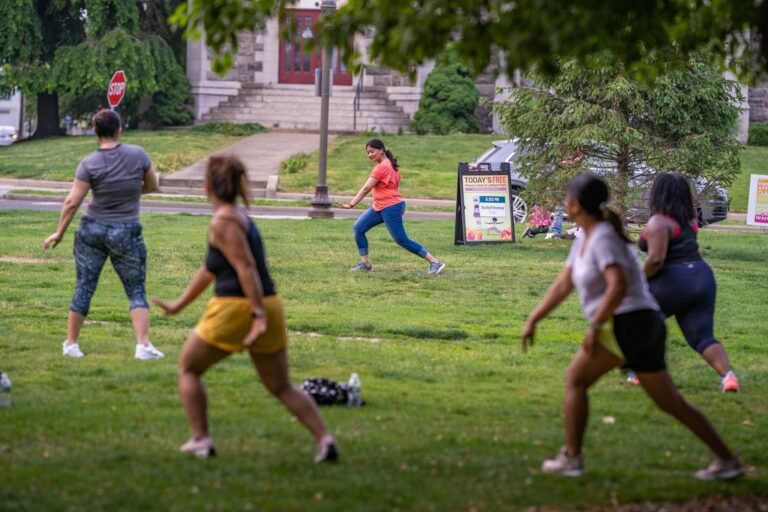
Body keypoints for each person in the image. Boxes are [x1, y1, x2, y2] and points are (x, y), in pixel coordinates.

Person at [521, 174, 743, 480]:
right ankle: (727, 459)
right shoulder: (587, 236)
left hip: (631, 323)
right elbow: (564, 284)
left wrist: (596, 324)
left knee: (576, 380)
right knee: (671, 403)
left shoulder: (602, 238)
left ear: (574, 205)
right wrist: (534, 318)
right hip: (642, 322)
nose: (563, 203)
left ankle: (572, 458)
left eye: (566, 198)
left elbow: (618, 285)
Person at [152, 155, 338, 462]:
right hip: (269, 303)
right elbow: (211, 268)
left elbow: (245, 267)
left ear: (207, 185)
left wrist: (257, 316)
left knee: (188, 368)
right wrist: (178, 305)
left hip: (238, 308)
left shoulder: (223, 221)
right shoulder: (238, 216)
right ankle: (325, 439)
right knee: (281, 385)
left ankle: (201, 440)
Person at [43, 109, 164, 360]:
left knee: (85, 286)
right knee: (136, 289)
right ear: (120, 129)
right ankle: (142, 346)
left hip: (92, 230)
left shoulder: (89, 163)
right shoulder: (138, 155)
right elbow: (153, 186)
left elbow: (72, 202)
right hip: (126, 231)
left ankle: (71, 344)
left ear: (96, 133)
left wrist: (59, 232)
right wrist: (128, 191)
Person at [633, 172, 739, 392]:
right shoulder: (690, 219)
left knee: (641, 321)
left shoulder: (659, 222)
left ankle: (640, 372)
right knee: (702, 337)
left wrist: (639, 280)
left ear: (657, 193)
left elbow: (656, 260)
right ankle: (728, 377)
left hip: (674, 280)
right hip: (702, 278)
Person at [337, 139, 446, 275]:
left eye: (372, 151)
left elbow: (366, 188)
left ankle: (435, 262)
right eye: (368, 152)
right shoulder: (392, 166)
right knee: (358, 228)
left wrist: (351, 204)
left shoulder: (382, 167)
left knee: (401, 239)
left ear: (381, 150)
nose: (370, 155)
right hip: (379, 207)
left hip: (391, 207)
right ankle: (365, 264)